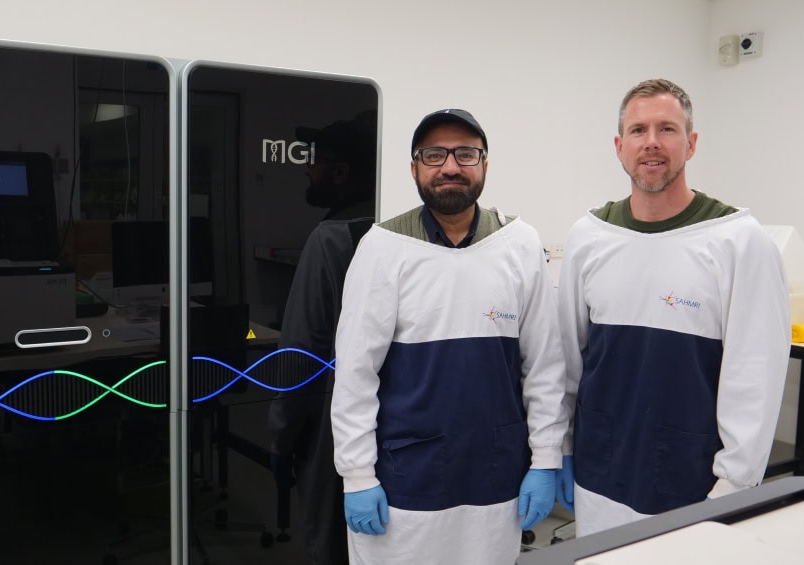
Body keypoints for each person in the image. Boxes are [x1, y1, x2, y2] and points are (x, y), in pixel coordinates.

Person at [330, 108, 568, 564]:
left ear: (484, 163)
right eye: (434, 154)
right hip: (406, 477)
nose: (451, 166)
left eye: (465, 153)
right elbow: (356, 375)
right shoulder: (383, 247)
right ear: (415, 167)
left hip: (495, 473)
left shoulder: (518, 244)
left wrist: (545, 459)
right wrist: (358, 475)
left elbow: (544, 366)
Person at [556, 78, 791, 537]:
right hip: (599, 470)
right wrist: (561, 448)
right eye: (638, 130)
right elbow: (566, 357)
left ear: (692, 143)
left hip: (694, 485)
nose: (652, 143)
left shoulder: (739, 241)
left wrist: (733, 486)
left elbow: (754, 379)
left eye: (667, 129)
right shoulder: (589, 237)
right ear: (619, 146)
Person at [267, 115, 377, 564]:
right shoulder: (404, 232)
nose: (305, 168)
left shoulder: (331, 240)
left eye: (314, 160)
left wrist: (281, 438)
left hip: (333, 436)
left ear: (342, 171)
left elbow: (299, 358)